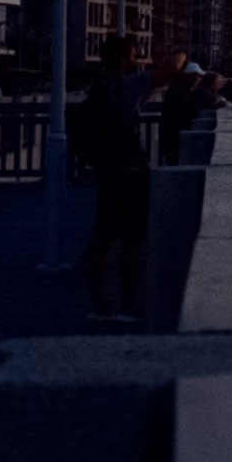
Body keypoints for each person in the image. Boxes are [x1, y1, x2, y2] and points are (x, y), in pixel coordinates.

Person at [75, 36, 153, 322]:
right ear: (121, 59)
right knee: (131, 240)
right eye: (133, 54)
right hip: (130, 174)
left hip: (107, 171)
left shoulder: (102, 88)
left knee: (103, 237)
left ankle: (99, 307)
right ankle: (127, 306)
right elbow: (174, 66)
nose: (136, 58)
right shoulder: (129, 85)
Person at [156, 54, 201, 166]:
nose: (199, 79)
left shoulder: (179, 88)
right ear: (189, 75)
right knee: (176, 163)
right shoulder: (181, 90)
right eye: (197, 76)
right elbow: (187, 110)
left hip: (173, 135)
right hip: (175, 136)